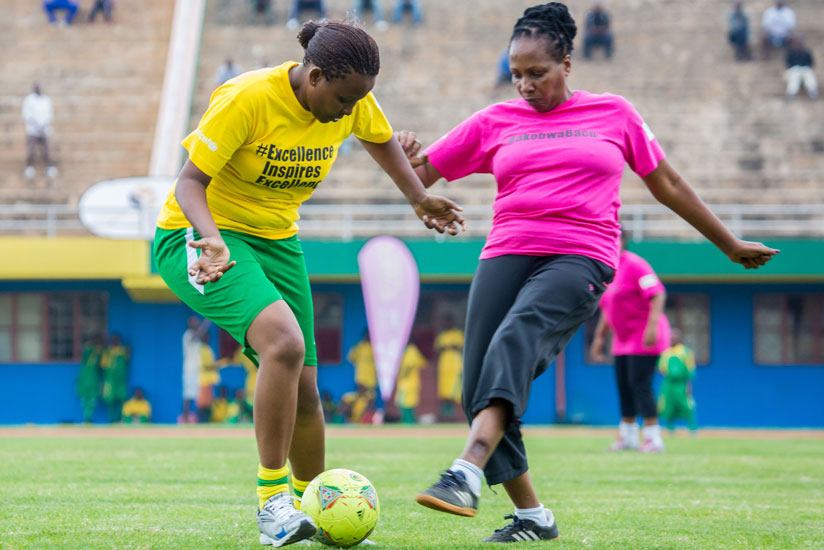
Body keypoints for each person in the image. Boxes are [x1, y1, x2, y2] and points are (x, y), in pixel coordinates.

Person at [410, 3, 777, 543]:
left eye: (537, 73)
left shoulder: (615, 114)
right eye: (516, 74)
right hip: (505, 252)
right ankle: (535, 517)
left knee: (515, 339)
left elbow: (668, 182)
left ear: (567, 64)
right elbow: (419, 172)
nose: (524, 85)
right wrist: (401, 157)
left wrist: (727, 243)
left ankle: (466, 468)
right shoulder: (494, 121)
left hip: (581, 255)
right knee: (476, 386)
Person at [153, 19, 464, 547]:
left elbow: (381, 139)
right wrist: (212, 240)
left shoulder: (353, 99)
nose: (349, 110)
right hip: (201, 233)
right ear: (315, 76)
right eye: (343, 99)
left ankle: (313, 505)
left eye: (359, 100)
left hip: (278, 241)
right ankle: (272, 502)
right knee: (284, 343)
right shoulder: (248, 98)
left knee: (305, 390)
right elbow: (188, 183)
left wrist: (417, 197)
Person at [590, 232, 670, 453]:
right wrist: (599, 337)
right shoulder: (607, 269)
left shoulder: (636, 265)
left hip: (644, 336)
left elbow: (657, 294)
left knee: (640, 385)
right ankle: (628, 437)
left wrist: (652, 325)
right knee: (624, 387)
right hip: (622, 339)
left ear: (622, 241)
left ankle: (654, 439)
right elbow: (608, 307)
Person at [657, 329, 697, 435]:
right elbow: (661, 368)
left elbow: (690, 368)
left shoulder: (685, 352)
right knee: (668, 407)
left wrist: (689, 385)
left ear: (679, 338)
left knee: (687, 407)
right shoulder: (666, 353)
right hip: (669, 384)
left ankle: (692, 429)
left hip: (681, 384)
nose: (672, 339)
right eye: (671, 338)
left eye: (675, 337)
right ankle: (670, 430)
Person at [22, 83, 57, 179]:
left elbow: (50, 113)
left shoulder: (46, 100)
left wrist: (43, 124)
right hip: (33, 129)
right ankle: (30, 167)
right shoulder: (29, 100)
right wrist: (35, 124)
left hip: (44, 128)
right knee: (31, 150)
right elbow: (26, 114)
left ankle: (49, 167)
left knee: (46, 150)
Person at [180, 317, 210, 424]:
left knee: (198, 396)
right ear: (189, 324)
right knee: (187, 395)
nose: (197, 323)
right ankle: (185, 418)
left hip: (197, 371)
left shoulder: (197, 338)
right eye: (195, 322)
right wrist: (206, 322)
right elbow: (198, 334)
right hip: (189, 370)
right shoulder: (188, 335)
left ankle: (198, 420)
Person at [434, 316, 464, 422]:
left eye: (448, 321)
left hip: (455, 366)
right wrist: (450, 347)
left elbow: (460, 347)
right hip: (444, 366)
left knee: (454, 391)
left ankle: (452, 414)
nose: (447, 324)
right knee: (444, 390)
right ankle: (445, 413)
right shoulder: (442, 335)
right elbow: (438, 348)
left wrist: (449, 347)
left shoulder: (458, 334)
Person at [395, 338, 427, 424]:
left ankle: (408, 421)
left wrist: (403, 374)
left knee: (405, 402)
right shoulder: (405, 350)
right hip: (409, 382)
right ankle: (408, 420)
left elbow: (410, 365)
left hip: (407, 382)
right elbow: (422, 362)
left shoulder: (411, 350)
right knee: (406, 401)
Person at [101, 334, 129, 423]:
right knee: (110, 399)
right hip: (110, 379)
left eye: (117, 339)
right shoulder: (107, 351)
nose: (115, 341)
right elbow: (103, 365)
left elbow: (127, 360)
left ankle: (119, 419)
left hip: (120, 379)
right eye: (113, 339)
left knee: (121, 398)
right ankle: (111, 419)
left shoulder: (123, 350)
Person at [76, 336, 103, 423]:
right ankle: (87, 418)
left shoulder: (98, 352)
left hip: (93, 381)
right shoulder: (87, 353)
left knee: (92, 400)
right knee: (84, 400)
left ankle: (88, 418)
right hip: (85, 381)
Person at [785, 35, 818, 101]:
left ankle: (813, 91)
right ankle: (791, 93)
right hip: (794, 69)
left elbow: (811, 62)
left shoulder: (807, 52)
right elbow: (788, 63)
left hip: (805, 69)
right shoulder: (791, 52)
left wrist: (805, 67)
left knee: (809, 76)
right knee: (794, 77)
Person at [196, 332, 220, 422]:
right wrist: (215, 366)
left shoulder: (208, 349)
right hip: (203, 380)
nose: (207, 339)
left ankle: (205, 423)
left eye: (208, 337)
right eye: (205, 337)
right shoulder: (201, 349)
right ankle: (200, 423)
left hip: (209, 380)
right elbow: (205, 365)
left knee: (208, 404)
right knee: (202, 404)